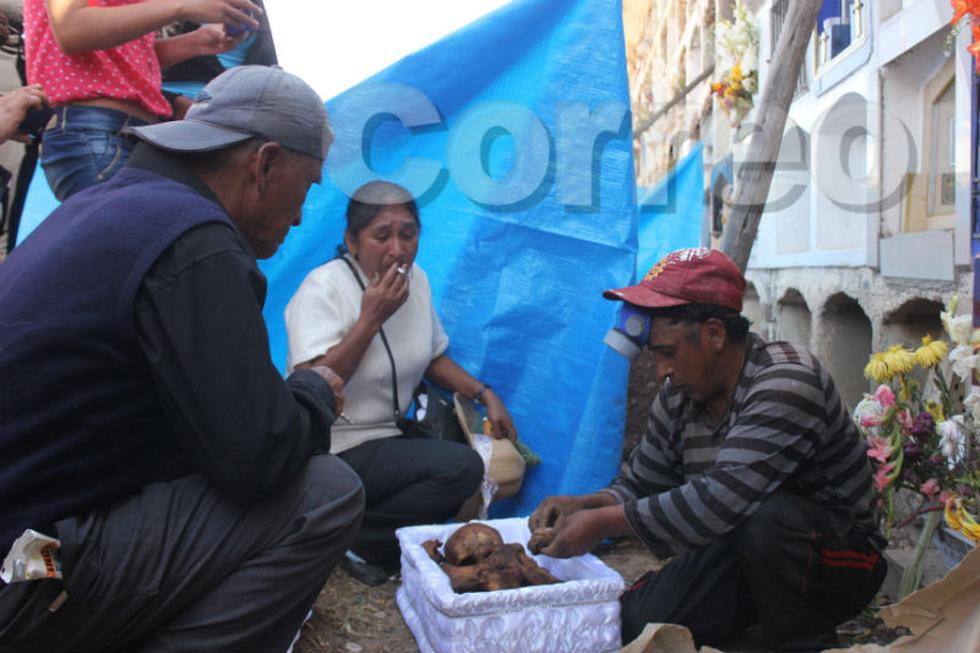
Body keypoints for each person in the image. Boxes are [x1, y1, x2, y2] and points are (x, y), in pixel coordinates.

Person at [0, 65, 364, 652]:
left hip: (25, 543)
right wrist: (315, 391)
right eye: (310, 185)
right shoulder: (194, 241)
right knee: (323, 493)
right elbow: (259, 457)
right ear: (265, 163)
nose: (301, 215)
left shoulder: (107, 204)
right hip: (22, 570)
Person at [529, 248, 887, 653]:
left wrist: (600, 525)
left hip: (839, 561)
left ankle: (805, 642)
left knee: (765, 518)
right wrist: (586, 505)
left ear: (715, 333)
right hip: (742, 547)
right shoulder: (678, 393)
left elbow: (721, 498)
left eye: (667, 352)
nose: (661, 370)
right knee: (638, 622)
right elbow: (645, 480)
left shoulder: (787, 379)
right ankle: (756, 626)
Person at [285, 180, 517, 586]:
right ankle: (356, 541)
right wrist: (370, 319)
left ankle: (354, 529)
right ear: (351, 241)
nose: (397, 248)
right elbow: (313, 382)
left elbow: (432, 358)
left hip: (387, 437)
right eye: (382, 236)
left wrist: (486, 393)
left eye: (407, 234)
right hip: (334, 445)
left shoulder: (418, 281)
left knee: (484, 460)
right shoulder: (324, 287)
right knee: (461, 468)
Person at [23, 0, 262, 201]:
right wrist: (182, 6)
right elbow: (70, 29)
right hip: (95, 131)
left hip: (123, 133)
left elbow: (122, 59)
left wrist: (195, 42)